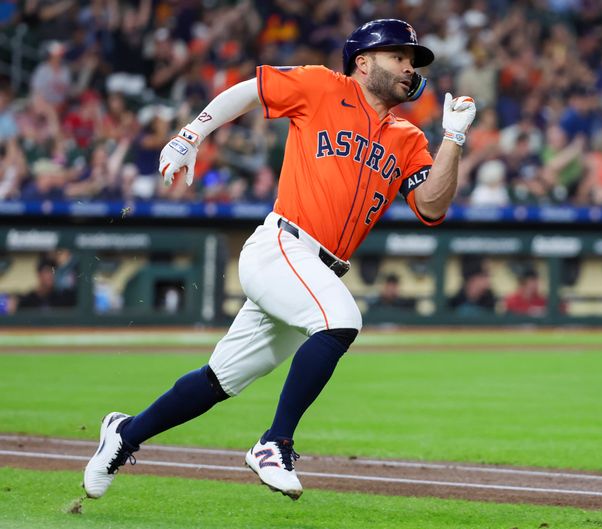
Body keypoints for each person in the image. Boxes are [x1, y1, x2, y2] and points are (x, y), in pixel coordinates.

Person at [83, 18, 475, 502]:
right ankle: (275, 442)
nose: (409, 68)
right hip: (283, 246)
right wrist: (191, 135)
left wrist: (453, 140)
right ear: (363, 61)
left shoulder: (410, 138)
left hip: (315, 271)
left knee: (218, 381)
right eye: (399, 56)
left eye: (413, 61)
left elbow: (433, 207)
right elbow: (249, 90)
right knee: (340, 320)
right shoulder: (322, 86)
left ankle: (124, 435)